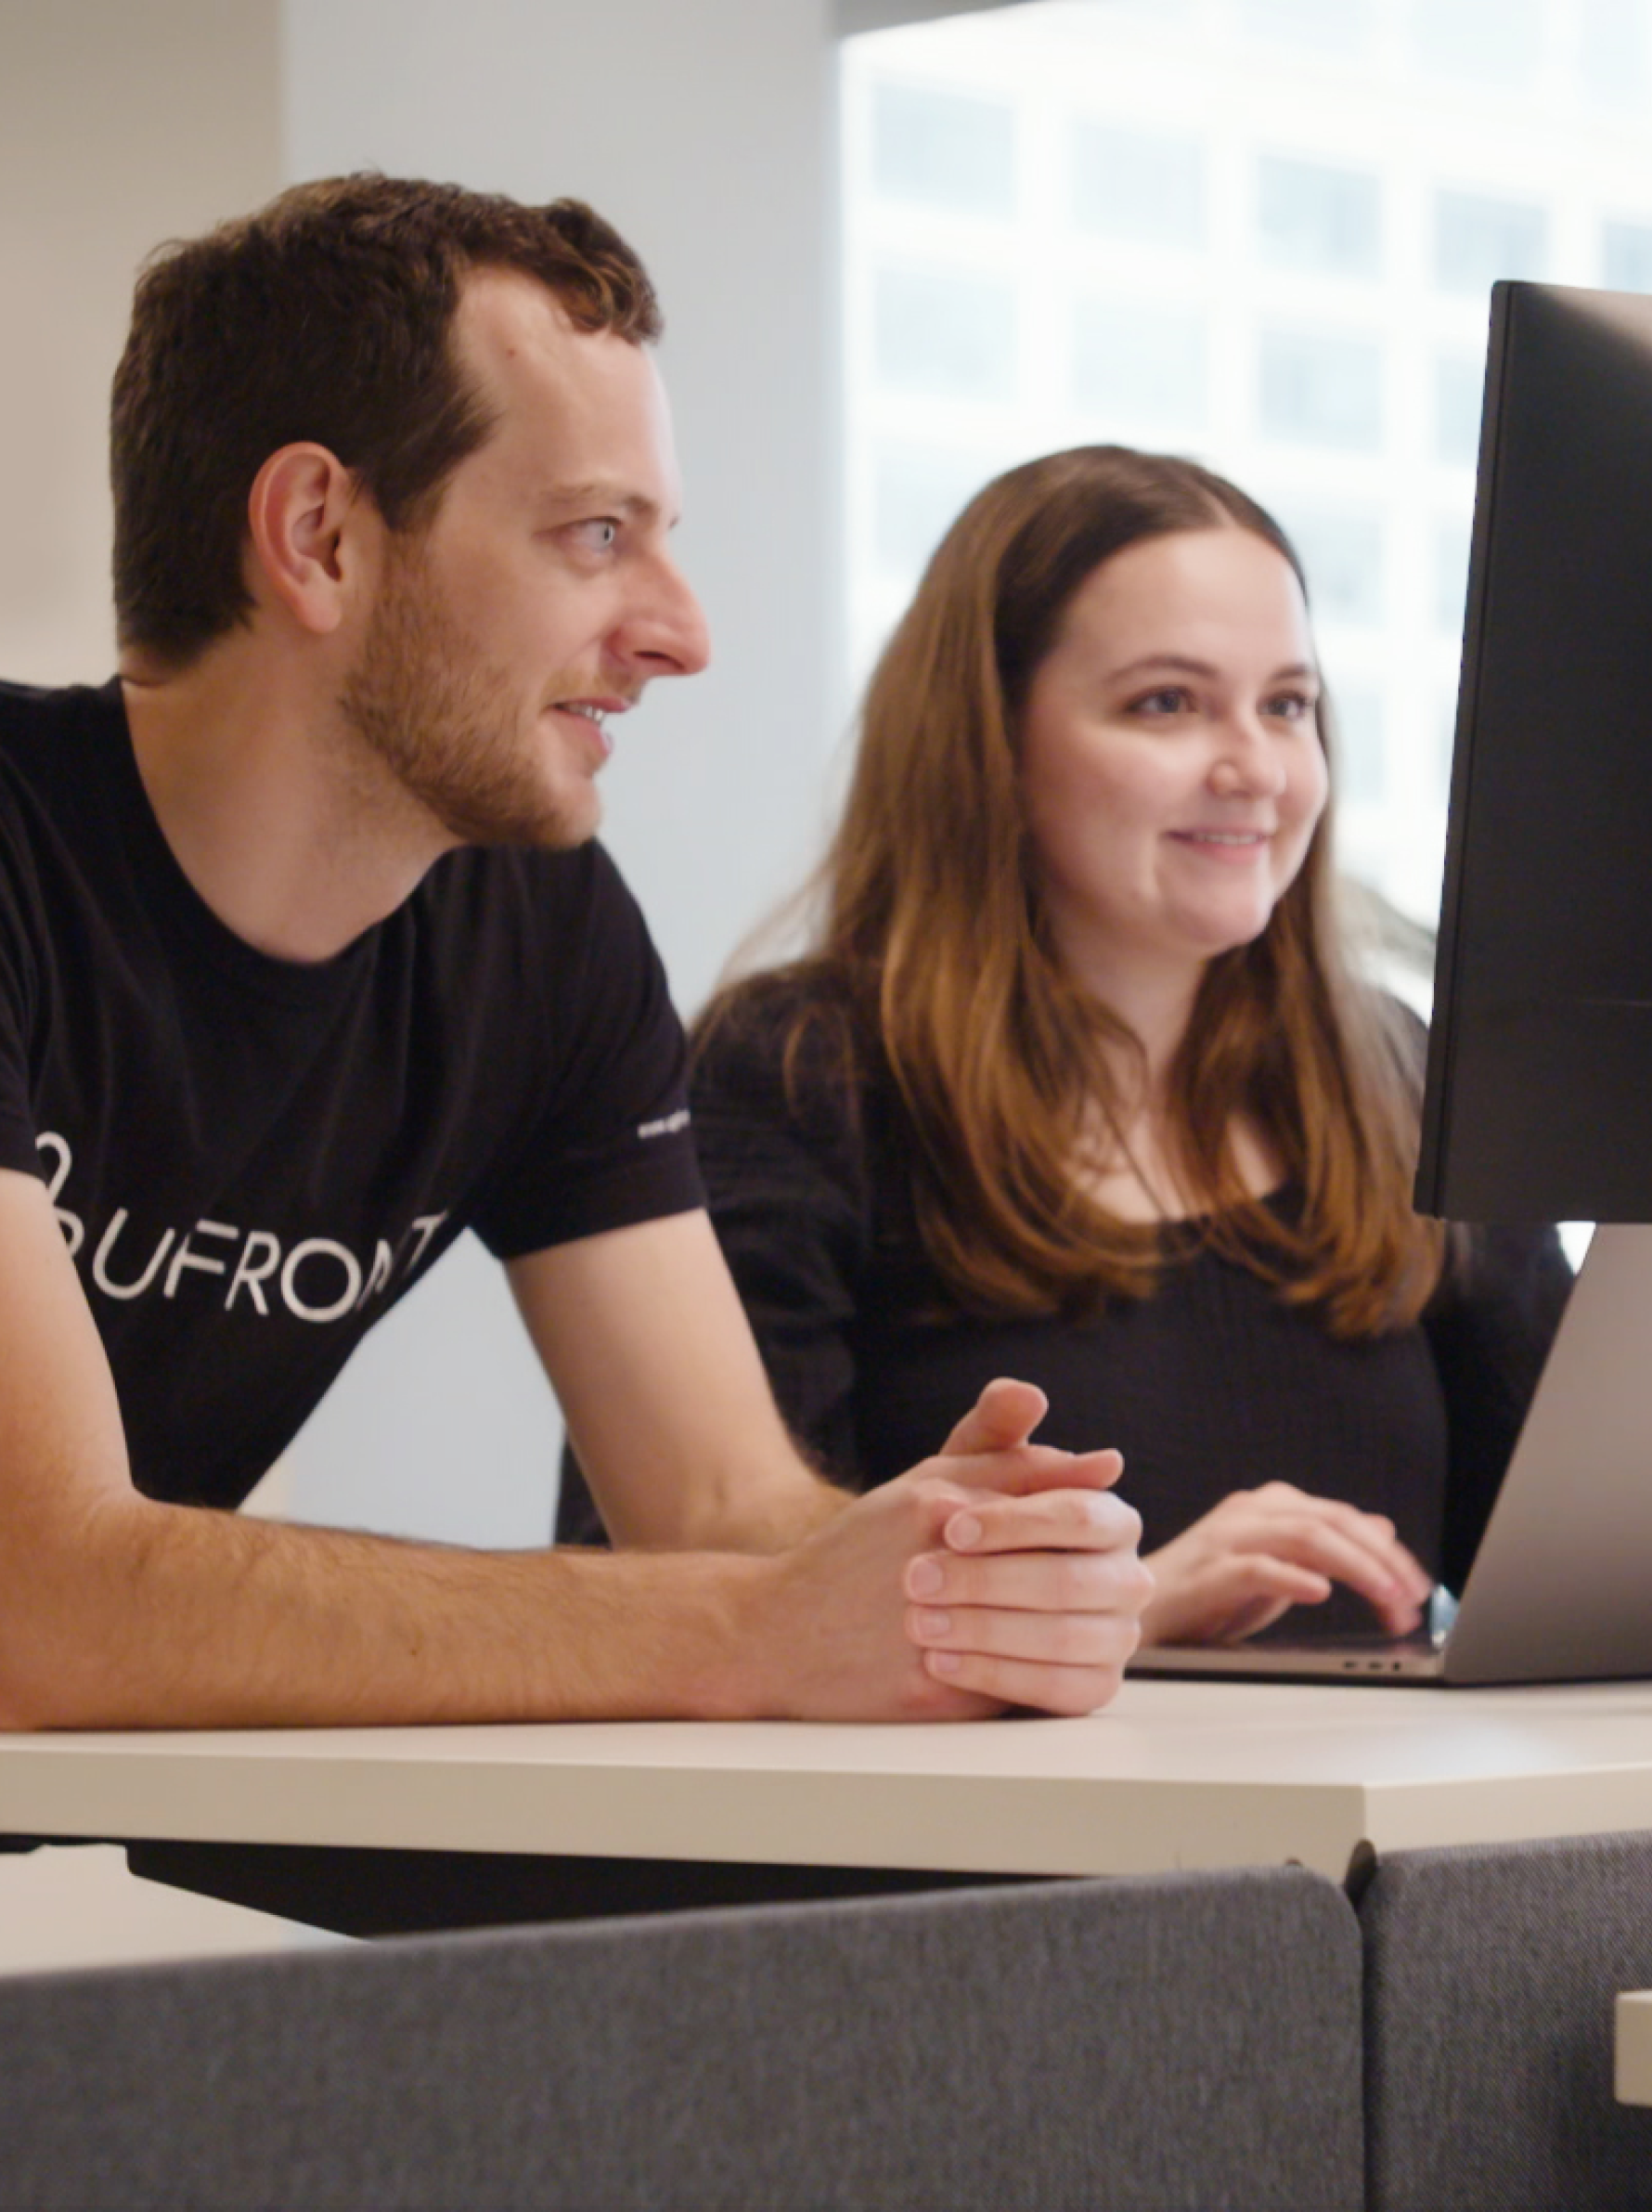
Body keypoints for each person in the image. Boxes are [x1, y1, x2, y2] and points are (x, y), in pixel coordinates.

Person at [0, 181, 1152, 1961]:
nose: (680, 627)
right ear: (320, 533)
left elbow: (723, 1507)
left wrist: (953, 1573)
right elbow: (50, 1609)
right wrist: (753, 1632)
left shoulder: (535, 937)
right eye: (593, 532)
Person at [561, 446, 1570, 1647]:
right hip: (996, 1837)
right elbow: (686, 1584)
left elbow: (1569, 1560)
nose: (1254, 766)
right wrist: (1121, 1616)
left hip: (1392, 1831)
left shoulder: (1397, 1075)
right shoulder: (800, 1074)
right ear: (991, 742)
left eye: (1286, 704)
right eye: (1167, 702)